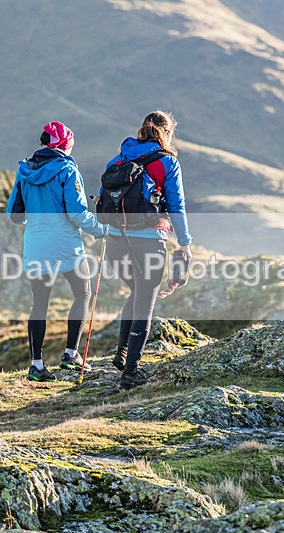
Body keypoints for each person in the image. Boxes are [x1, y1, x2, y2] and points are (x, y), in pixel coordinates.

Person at [7, 121, 108, 382]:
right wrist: (101, 230)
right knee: (83, 292)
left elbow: (14, 215)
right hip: (65, 244)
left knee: (39, 303)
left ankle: (36, 365)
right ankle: (71, 354)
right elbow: (76, 213)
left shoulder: (23, 170)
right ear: (65, 144)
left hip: (35, 243)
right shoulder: (67, 169)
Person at [104, 110, 192, 390]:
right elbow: (176, 206)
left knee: (136, 292)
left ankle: (121, 354)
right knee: (145, 301)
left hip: (116, 242)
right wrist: (185, 242)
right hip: (149, 241)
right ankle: (130, 373)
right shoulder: (167, 162)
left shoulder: (118, 159)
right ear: (167, 132)